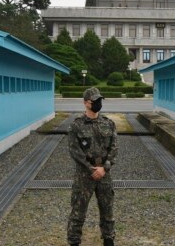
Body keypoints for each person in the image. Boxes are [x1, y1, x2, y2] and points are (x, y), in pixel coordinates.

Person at [67, 87, 118, 246]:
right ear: (85, 103)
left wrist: (104, 168)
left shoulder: (108, 123)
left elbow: (114, 147)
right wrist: (91, 169)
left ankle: (109, 240)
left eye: (100, 100)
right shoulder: (76, 125)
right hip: (84, 175)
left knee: (107, 210)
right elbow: (75, 151)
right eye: (94, 101)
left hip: (104, 174)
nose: (98, 103)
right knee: (78, 212)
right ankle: (74, 242)